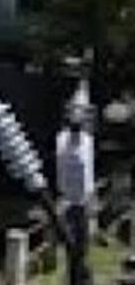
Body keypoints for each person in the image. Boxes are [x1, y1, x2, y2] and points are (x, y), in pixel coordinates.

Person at [56, 82, 96, 253]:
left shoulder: (87, 140)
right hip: (68, 197)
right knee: (69, 238)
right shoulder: (62, 139)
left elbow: (88, 167)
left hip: (82, 198)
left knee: (82, 237)